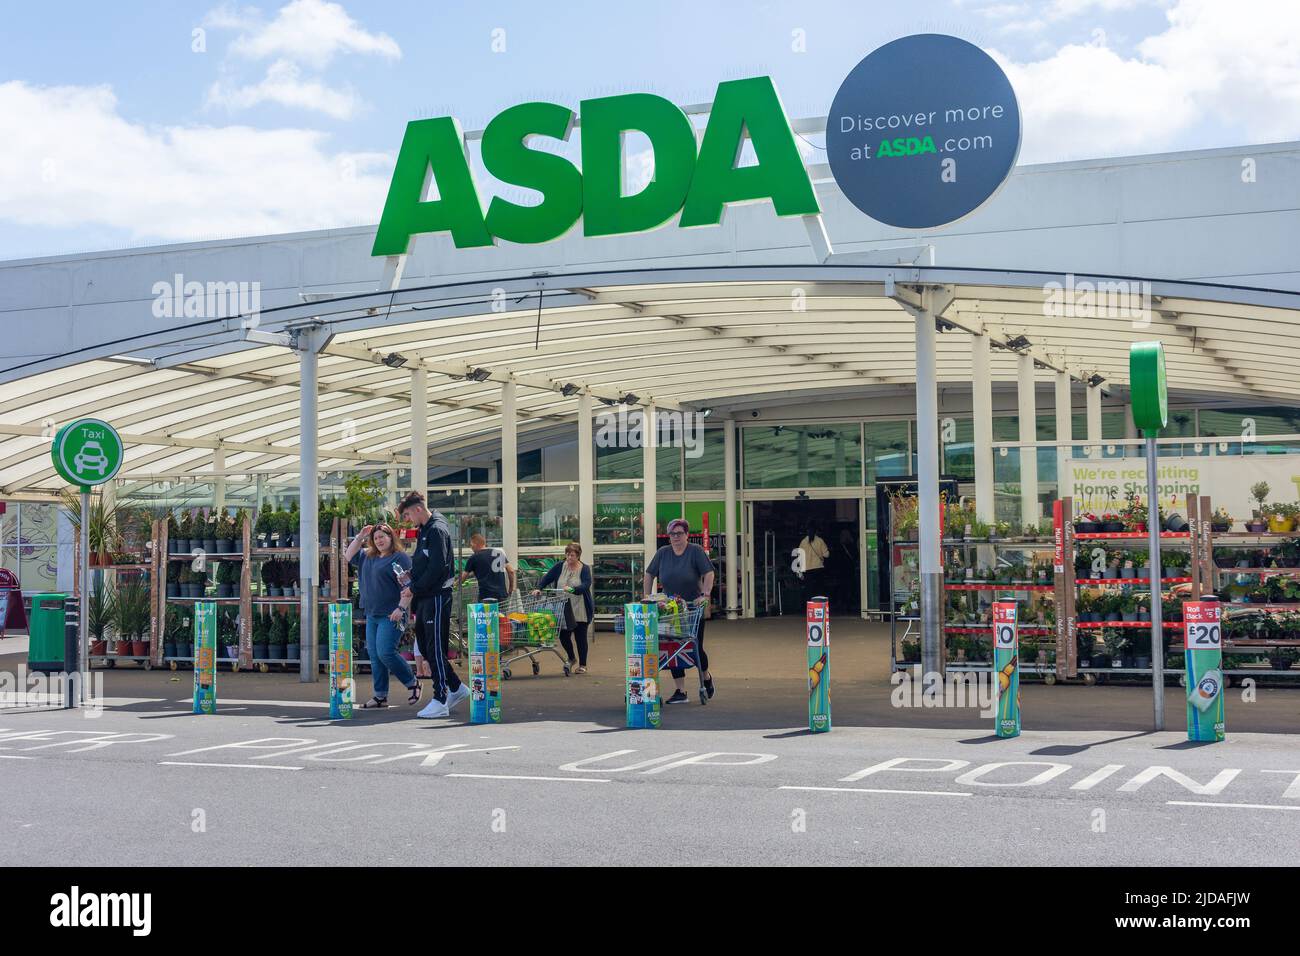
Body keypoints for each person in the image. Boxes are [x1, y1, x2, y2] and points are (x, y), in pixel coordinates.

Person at [396, 491, 468, 719]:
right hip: (427, 596)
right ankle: (456, 688)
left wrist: (413, 587)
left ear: (418, 509)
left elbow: (438, 568)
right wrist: (410, 575)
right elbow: (425, 562)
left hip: (436, 596)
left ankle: (440, 698)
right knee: (427, 648)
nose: (408, 520)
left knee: (435, 648)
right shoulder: (426, 528)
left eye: (408, 514)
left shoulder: (437, 529)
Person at [345, 523, 420, 709]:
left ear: (391, 537)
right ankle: (380, 696)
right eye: (376, 537)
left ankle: (413, 683)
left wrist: (401, 609)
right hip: (372, 613)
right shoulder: (367, 556)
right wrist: (360, 536)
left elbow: (408, 586)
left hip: (393, 614)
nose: (379, 540)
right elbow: (347, 556)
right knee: (374, 655)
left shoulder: (399, 558)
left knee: (385, 652)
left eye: (383, 537)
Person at [643, 518, 715, 703]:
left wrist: (705, 595)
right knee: (672, 646)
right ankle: (680, 691)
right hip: (670, 609)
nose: (676, 537)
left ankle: (705, 677)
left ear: (687, 535)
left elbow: (709, 572)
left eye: (679, 533)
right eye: (672, 534)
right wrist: (647, 596)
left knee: (695, 646)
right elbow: (649, 573)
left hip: (692, 608)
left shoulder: (695, 552)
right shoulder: (663, 553)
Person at [535, 542, 593, 673]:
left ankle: (583, 665)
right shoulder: (560, 566)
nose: (569, 557)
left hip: (580, 607)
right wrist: (539, 588)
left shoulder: (584, 569)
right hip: (563, 608)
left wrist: (573, 589)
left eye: (572, 555)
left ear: (578, 556)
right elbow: (547, 577)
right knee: (563, 635)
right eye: (567, 554)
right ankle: (572, 658)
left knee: (580, 637)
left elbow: (586, 584)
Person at [458, 532, 516, 601]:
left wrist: (454, 585)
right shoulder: (499, 553)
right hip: (501, 595)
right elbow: (511, 571)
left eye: (471, 545)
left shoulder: (474, 557)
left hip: (486, 597)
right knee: (502, 612)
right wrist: (511, 588)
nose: (471, 548)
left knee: (483, 611)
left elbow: (463, 577)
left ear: (475, 544)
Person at [797, 524, 830, 603]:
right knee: (819, 588)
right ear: (816, 532)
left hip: (807, 569)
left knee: (809, 589)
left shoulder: (803, 542)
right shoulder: (820, 541)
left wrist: (800, 570)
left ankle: (810, 607)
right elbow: (826, 554)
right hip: (818, 568)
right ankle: (820, 606)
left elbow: (799, 556)